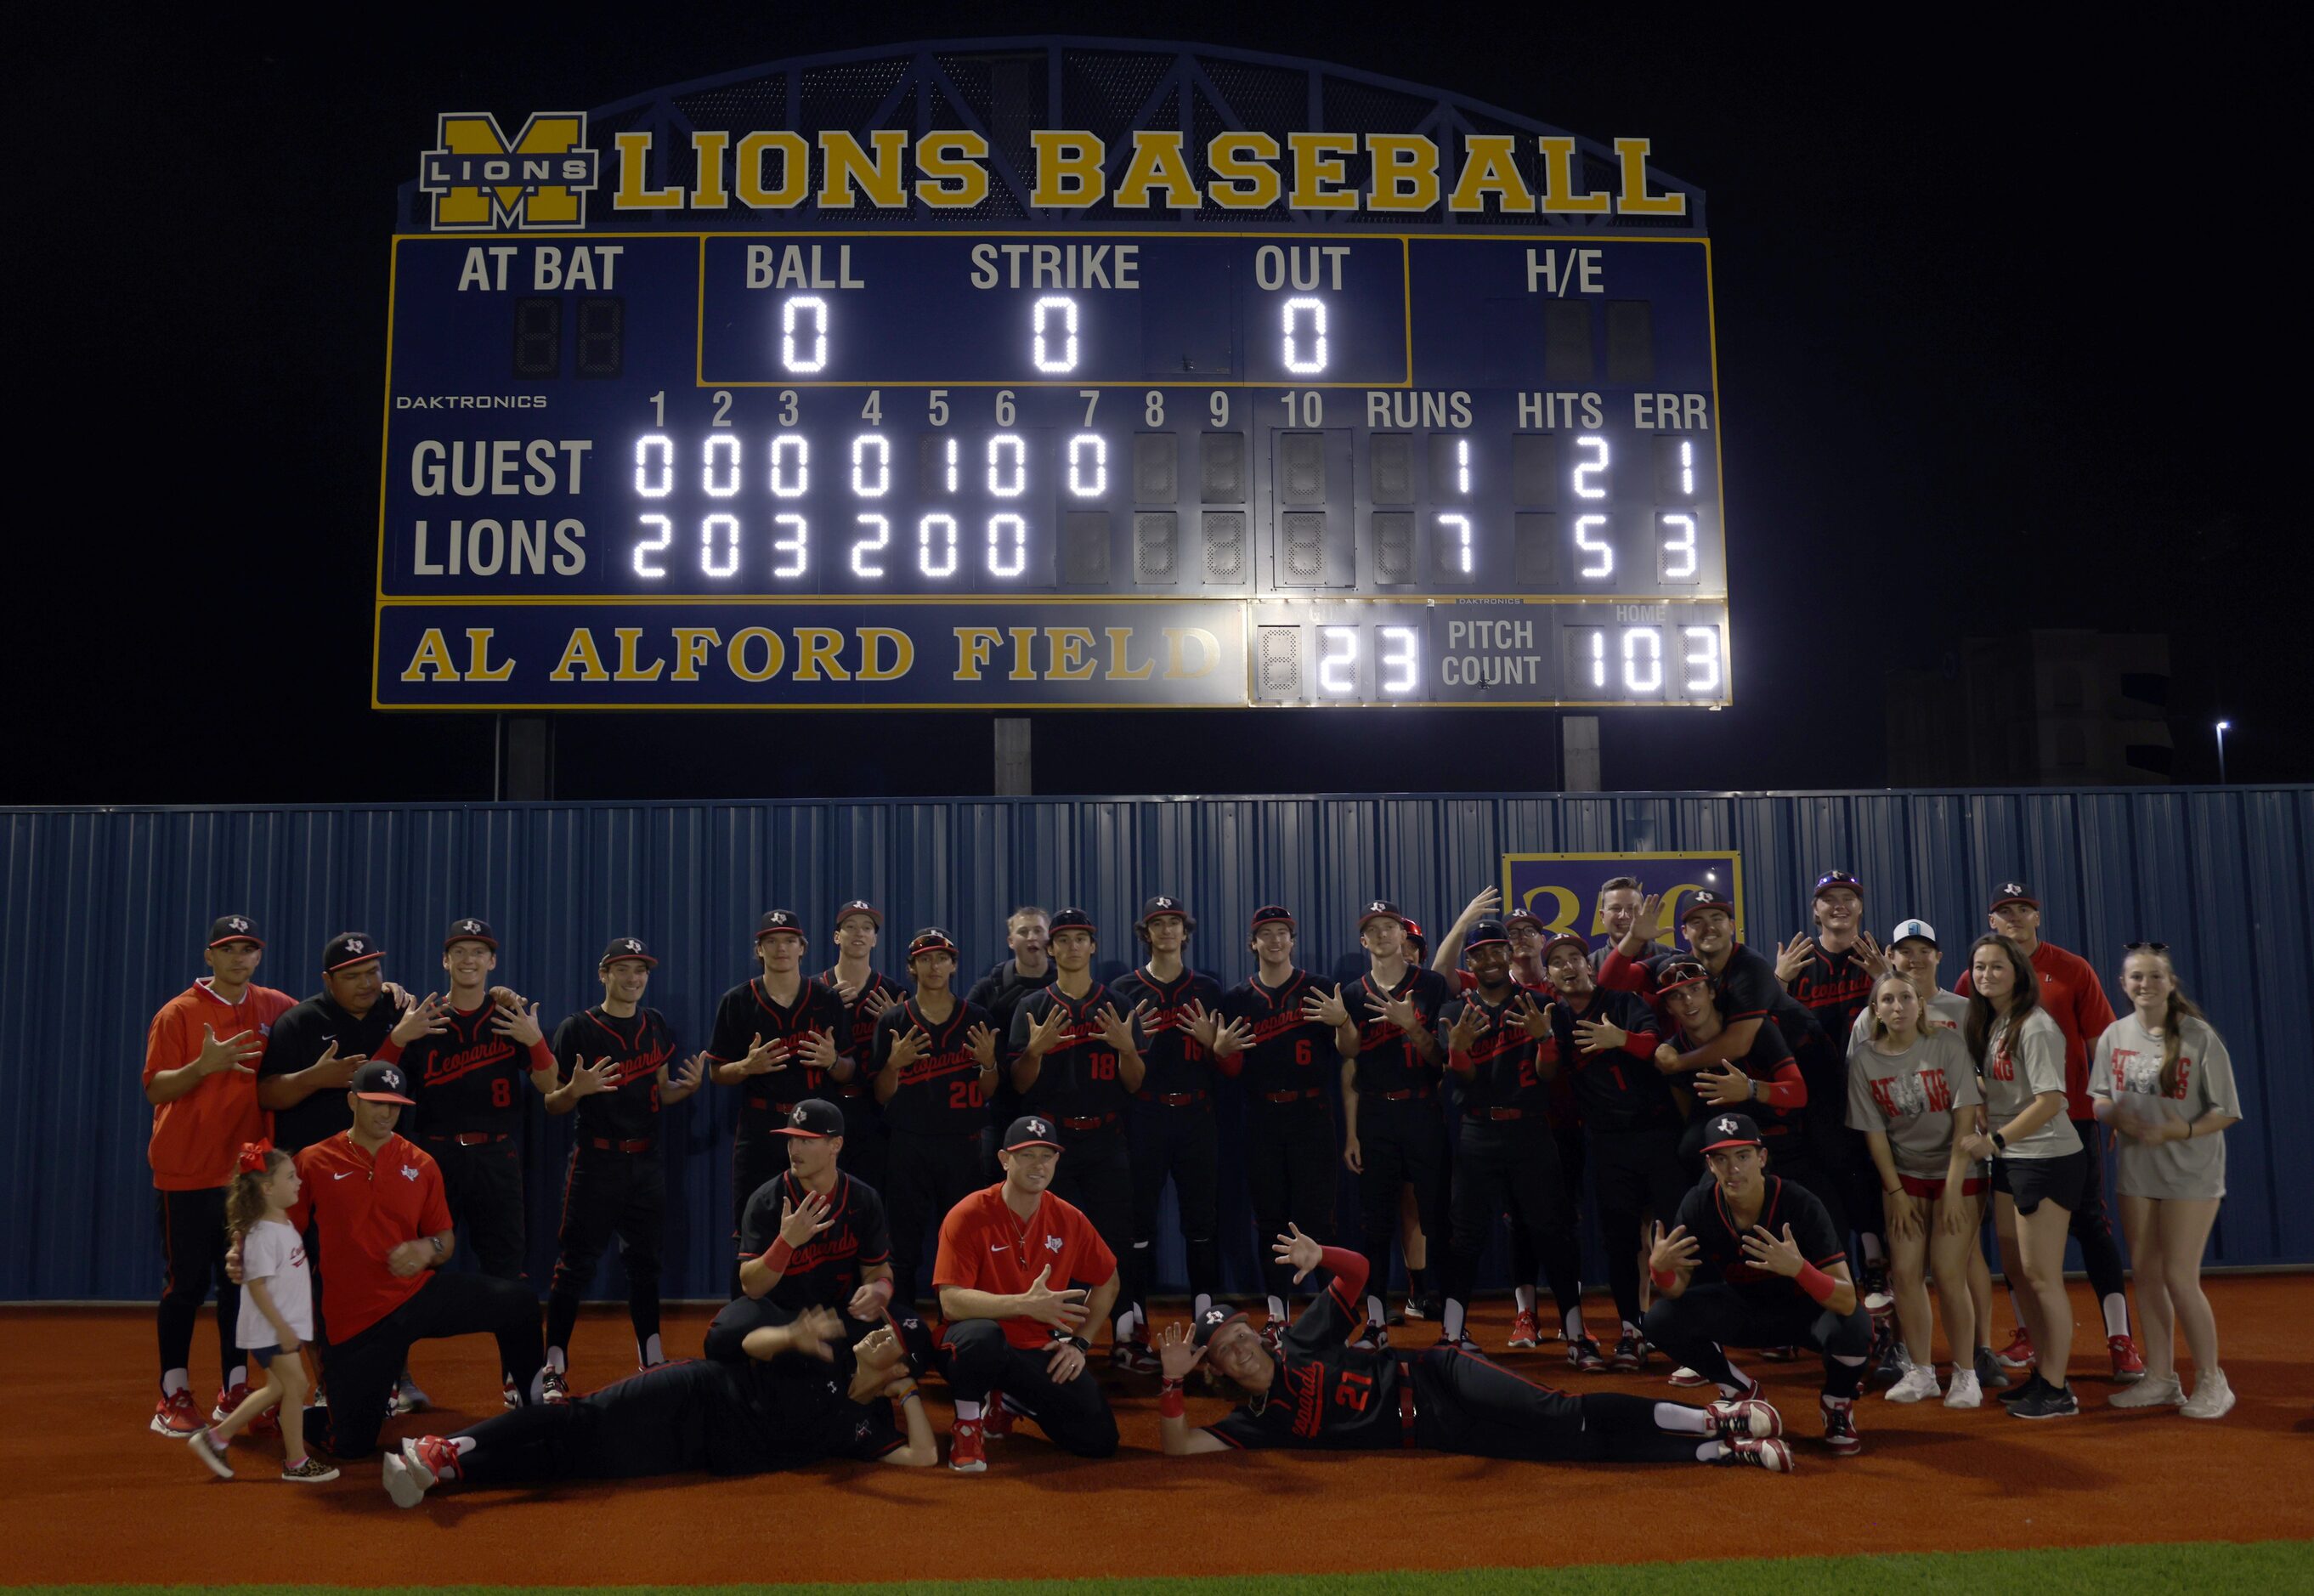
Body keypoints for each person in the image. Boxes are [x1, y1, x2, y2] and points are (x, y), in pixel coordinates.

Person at [1151, 1223, 1790, 1472]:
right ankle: (1718, 1453)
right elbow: (1179, 1444)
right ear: (1215, 1369)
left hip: (1438, 1378)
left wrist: (1324, 1257)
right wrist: (1171, 1384)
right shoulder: (1250, 1423)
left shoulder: (1298, 1341)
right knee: (1568, 1451)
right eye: (1221, 1349)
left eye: (1237, 1334)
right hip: (1437, 1433)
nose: (1236, 1348)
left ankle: (1712, 1416)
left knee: (1558, 1413)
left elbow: (1357, 1276)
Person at [251, 1060, 546, 1460]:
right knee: (350, 1445)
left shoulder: (421, 1163)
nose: (387, 1113)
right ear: (353, 1100)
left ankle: (534, 1414)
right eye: (377, 1103)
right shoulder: (313, 1162)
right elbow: (282, 1231)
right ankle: (298, 1413)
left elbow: (444, 1238)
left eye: (395, 1105)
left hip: (417, 1295)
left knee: (521, 1304)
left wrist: (428, 1249)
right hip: (356, 1319)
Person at [382, 1307, 939, 1504]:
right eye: (882, 1329)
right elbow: (749, 1347)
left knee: (570, 1465)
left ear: (899, 1367)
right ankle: (448, 1446)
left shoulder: (860, 1427)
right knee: (580, 1418)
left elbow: (922, 1459)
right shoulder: (828, 1353)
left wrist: (906, 1393)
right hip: (694, 1391)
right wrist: (789, 1336)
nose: (874, 1337)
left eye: (889, 1340)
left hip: (692, 1449)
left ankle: (448, 1473)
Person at [1956, 883, 2144, 1383]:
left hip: (2068, 1119)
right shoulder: (1977, 978)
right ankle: (2029, 1335)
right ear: (1991, 921)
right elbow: (1960, 1038)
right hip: (2010, 1128)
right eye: (2004, 911)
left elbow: (2101, 1042)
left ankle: (2119, 1338)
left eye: (2024, 909)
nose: (2014, 917)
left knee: (2090, 1224)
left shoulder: (2071, 969)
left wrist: (2111, 1107)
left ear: (2038, 917)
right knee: (2015, 1245)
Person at [144, 914, 297, 1439]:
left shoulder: (275, 1008)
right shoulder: (178, 1013)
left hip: (245, 1178)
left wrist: (390, 993)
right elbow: (156, 1089)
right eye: (228, 948)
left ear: (259, 955)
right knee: (184, 1285)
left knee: (238, 1286)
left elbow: (327, 1020)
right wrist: (201, 1068)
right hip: (185, 1173)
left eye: (248, 948)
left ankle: (234, 1387)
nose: (239, 957)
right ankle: (172, 1392)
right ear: (209, 955)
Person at [1642, 1112, 1874, 1456]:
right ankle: (1739, 1391)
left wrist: (1798, 1269)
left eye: (1743, 1156)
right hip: (1743, 1312)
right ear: (1709, 1165)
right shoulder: (1698, 1205)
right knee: (1659, 1319)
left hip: (1804, 1315)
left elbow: (1845, 1300)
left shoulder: (1800, 1204)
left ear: (1762, 1158)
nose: (1733, 1168)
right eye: (1721, 1158)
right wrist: (1659, 1270)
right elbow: (1676, 1291)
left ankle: (1837, 1404)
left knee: (1856, 1325)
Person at [540, 937, 706, 1395]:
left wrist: (684, 1091)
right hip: (596, 1159)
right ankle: (553, 1367)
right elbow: (553, 1103)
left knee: (645, 1263)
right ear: (604, 975)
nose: (633, 979)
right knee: (574, 1265)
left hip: (646, 1160)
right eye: (623, 970)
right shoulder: (578, 1029)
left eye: (641, 971)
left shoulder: (655, 1025)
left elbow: (661, 1092)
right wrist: (577, 1089)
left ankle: (651, 1358)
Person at [2093, 945, 2243, 1418]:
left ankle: (2212, 1381)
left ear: (2170, 983)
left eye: (2154, 977)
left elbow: (2227, 1111)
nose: (2145, 984)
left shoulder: (2198, 1037)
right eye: (2136, 977)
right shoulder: (2114, 1035)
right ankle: (2160, 1378)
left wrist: (2179, 1130)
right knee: (2148, 1276)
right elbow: (2098, 1095)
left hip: (2191, 1173)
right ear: (2123, 984)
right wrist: (2113, 1114)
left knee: (2179, 1276)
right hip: (2137, 1173)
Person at [1855, 918, 2003, 1393]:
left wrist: (1957, 1186)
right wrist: (1894, 1190)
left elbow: (1967, 1116)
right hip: (1905, 1172)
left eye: (1906, 998)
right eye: (1888, 999)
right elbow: (1874, 1129)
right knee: (1904, 1272)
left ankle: (1967, 1369)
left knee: (1951, 1269)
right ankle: (1920, 1371)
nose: (1898, 1005)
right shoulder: (1865, 1052)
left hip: (1958, 1168)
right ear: (1877, 1008)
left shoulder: (1953, 1032)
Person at [1436, 918, 1593, 1364]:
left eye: (1496, 950)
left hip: (1530, 1128)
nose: (1489, 959)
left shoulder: (1542, 1004)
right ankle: (1451, 1335)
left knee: (1553, 1231)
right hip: (1477, 1130)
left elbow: (1549, 1075)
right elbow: (1461, 1078)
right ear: (1470, 961)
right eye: (1479, 953)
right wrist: (1459, 1049)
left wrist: (1544, 1040)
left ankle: (1577, 1337)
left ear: (1510, 954)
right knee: (1465, 1235)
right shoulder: (1455, 1011)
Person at [373, 920, 554, 1299]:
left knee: (505, 1265)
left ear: (492, 962)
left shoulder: (510, 1017)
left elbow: (549, 1084)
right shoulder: (425, 1019)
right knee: (421, 1259)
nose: (468, 959)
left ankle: (515, 1361)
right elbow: (376, 1085)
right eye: (459, 951)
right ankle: (400, 1358)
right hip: (435, 1154)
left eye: (478, 952)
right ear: (445, 961)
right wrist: (398, 1038)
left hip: (496, 1153)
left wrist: (536, 1042)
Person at [932, 1114, 1124, 1472]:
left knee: (1098, 1441)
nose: (1039, 1165)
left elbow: (1109, 1280)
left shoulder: (1069, 1218)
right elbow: (951, 1302)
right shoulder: (969, 1214)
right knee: (982, 1336)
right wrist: (1025, 1305)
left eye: (1047, 1155)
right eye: (1027, 1155)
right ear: (1005, 1160)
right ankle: (968, 1424)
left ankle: (1011, 1400)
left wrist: (1080, 1344)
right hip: (970, 1345)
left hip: (1036, 1349)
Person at [1539, 932, 1684, 1371]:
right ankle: (1632, 1331)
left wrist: (1618, 1038)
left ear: (1590, 964)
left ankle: (1686, 1329)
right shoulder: (1556, 1018)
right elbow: (1546, 1073)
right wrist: (1544, 1036)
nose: (1567, 967)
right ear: (1549, 976)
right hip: (1607, 1142)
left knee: (1676, 1234)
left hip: (1658, 1134)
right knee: (1620, 1241)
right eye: (1558, 962)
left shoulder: (1625, 1002)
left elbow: (1658, 1050)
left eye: (1575, 958)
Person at [1954, 934, 2083, 1420]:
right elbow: (2009, 1085)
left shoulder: (2035, 1025)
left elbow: (2052, 1101)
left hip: (2045, 1158)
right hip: (2012, 1161)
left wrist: (1997, 1141)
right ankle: (2044, 1376)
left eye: (1997, 967)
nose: (1987, 975)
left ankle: (2058, 1388)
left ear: (2018, 973)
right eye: (1980, 968)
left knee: (2043, 1278)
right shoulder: (1995, 1023)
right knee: (2020, 1274)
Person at [1008, 908, 1145, 1362]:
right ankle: (1057, 1335)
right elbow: (1019, 1084)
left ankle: (1125, 1332)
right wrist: (1034, 1051)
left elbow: (1135, 1082)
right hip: (1052, 1146)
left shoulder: (1118, 1003)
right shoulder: (1032, 1007)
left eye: (1079, 939)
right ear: (1051, 949)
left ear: (1093, 946)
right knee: (1052, 1243)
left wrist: (1128, 1051)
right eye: (1062, 940)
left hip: (1107, 1137)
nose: (1071, 947)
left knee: (1116, 1240)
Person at [1200, 905, 1348, 1326]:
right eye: (1266, 934)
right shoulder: (1236, 999)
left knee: (1319, 1219)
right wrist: (1221, 1053)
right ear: (1253, 944)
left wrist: (1342, 1024)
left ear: (1293, 940)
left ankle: (1330, 1316)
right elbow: (1231, 1070)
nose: (1275, 940)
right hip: (1261, 1116)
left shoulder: (1318, 988)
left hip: (1312, 1112)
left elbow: (1348, 1050)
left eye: (1282, 932)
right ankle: (1278, 1316)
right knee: (1270, 1221)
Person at [704, 909, 854, 1294]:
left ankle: (815, 1319)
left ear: (802, 948)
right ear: (760, 949)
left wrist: (832, 1061)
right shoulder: (737, 1001)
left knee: (822, 1225)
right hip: (760, 1127)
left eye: (789, 940)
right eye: (771, 941)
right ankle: (744, 1319)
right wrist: (746, 1065)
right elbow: (717, 1073)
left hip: (815, 1133)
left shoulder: (825, 1000)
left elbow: (852, 1071)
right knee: (750, 1227)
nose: (781, 948)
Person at [1112, 896, 1229, 1359]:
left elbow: (1229, 1063)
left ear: (1185, 932)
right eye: (1157, 924)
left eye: (1174, 923)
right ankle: (1135, 1319)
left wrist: (1211, 1044)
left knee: (1202, 1223)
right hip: (1144, 1114)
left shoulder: (1208, 988)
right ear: (1146, 932)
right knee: (1137, 1224)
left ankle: (1207, 1319)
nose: (1166, 931)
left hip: (1197, 1114)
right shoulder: (1125, 988)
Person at [1777, 872, 1890, 1320]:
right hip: (1818, 1099)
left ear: (1860, 908)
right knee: (1830, 1190)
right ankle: (1838, 1281)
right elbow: (1764, 1024)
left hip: (1877, 1094)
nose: (1839, 906)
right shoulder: (1800, 962)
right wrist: (1779, 982)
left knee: (1873, 1185)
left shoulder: (1876, 959)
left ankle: (1877, 1271)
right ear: (1815, 910)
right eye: (1829, 899)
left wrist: (1886, 978)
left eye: (1848, 899)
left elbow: (1912, 1017)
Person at [187, 1143, 336, 1482]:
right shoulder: (264, 1235)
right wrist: (282, 1328)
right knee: (296, 1386)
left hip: (279, 1328)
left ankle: (216, 1438)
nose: (298, 1182)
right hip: (271, 1330)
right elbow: (256, 1287)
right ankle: (296, 1463)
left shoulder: (280, 1225)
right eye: (290, 1177)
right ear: (267, 1188)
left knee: (278, 1389)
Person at [1338, 899, 1451, 1338]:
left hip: (1423, 1108)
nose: (1383, 934)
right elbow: (1348, 1066)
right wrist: (1351, 1132)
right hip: (1376, 1114)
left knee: (1437, 1219)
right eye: (1374, 928)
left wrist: (1411, 1026)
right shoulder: (1351, 993)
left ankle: (1453, 1326)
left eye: (1391, 926)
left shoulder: (1432, 985)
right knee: (1375, 1223)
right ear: (1363, 940)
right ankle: (1376, 1322)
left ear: (1404, 936)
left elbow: (1441, 1058)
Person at [871, 927, 1002, 1307]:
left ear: (953, 965)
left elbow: (989, 1090)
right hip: (907, 1143)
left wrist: (989, 1063)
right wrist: (893, 1065)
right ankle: (904, 1323)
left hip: (962, 1144)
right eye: (924, 959)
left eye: (941, 958)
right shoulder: (893, 1020)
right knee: (904, 1244)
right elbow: (880, 1095)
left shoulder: (976, 1017)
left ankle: (961, 1321)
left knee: (964, 1240)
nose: (933, 966)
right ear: (912, 967)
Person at [737, 1100, 896, 1338]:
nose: (794, 1149)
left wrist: (879, 1290)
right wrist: (786, 1242)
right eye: (791, 1139)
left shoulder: (863, 1199)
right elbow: (752, 1287)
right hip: (780, 1316)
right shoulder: (766, 1201)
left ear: (836, 1145)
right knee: (725, 1334)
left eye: (806, 1141)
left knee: (912, 1330)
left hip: (837, 1313)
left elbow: (877, 1270)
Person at [965, 905, 1057, 1168]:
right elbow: (961, 1027)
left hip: (1054, 1104)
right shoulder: (990, 986)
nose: (1032, 938)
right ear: (1010, 941)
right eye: (1023, 931)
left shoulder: (1068, 983)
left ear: (1049, 938)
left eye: (1038, 930)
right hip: (1001, 1105)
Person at [821, 899, 901, 1191]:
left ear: (875, 939)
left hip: (874, 1110)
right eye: (850, 926)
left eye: (867, 928)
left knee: (871, 1200)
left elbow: (910, 1059)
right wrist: (823, 1009)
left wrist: (894, 1022)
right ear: (836, 937)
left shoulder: (892, 992)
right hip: (825, 1101)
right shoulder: (816, 989)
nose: (859, 933)